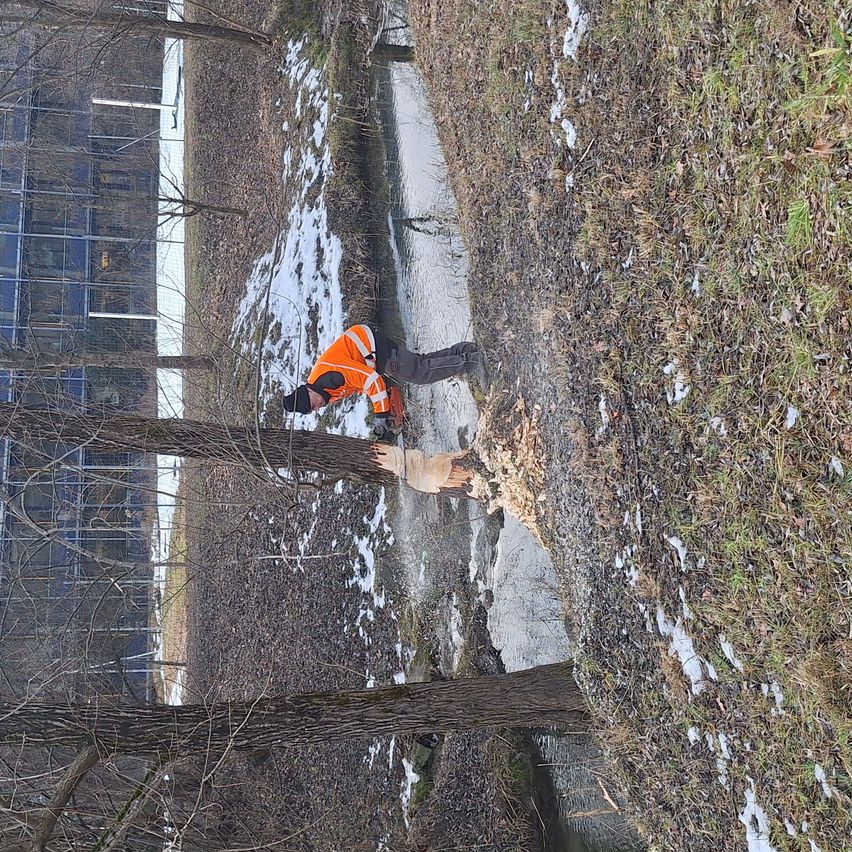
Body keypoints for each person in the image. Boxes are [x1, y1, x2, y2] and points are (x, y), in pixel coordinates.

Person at [283, 324, 487, 438]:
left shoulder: (329, 375)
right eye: (313, 410)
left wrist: (380, 414)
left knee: (419, 373)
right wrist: (386, 400)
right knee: (420, 362)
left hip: (371, 346)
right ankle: (464, 351)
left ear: (308, 392)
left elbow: (370, 381)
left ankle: (472, 361)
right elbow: (361, 384)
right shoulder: (325, 393)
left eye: (312, 405)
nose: (317, 408)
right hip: (368, 356)